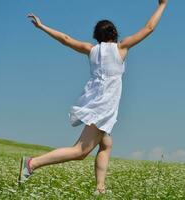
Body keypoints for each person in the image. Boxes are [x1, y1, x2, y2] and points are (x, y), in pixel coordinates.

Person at [18, 0, 168, 195]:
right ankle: (32, 163)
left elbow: (65, 38)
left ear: (97, 36)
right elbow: (149, 28)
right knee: (80, 152)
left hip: (95, 104)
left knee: (106, 143)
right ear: (115, 34)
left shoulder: (91, 50)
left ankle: (100, 189)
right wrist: (162, 4)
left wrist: (41, 26)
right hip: (103, 108)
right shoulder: (121, 49)